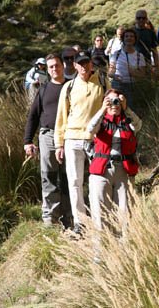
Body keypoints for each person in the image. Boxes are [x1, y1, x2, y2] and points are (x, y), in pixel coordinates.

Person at [54, 51, 109, 234]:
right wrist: (59, 144)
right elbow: (61, 117)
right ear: (75, 66)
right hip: (72, 139)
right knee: (75, 181)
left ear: (91, 64)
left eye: (87, 63)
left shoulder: (102, 82)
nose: (84, 66)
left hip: (95, 138)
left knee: (98, 179)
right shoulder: (68, 87)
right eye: (80, 63)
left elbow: (110, 108)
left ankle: (101, 216)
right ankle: (80, 222)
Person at [24, 53, 72, 228]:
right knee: (49, 177)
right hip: (48, 137)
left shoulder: (72, 86)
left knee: (69, 178)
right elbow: (33, 116)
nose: (54, 69)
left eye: (57, 65)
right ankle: (50, 220)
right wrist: (28, 141)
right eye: (51, 66)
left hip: (70, 137)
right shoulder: (43, 89)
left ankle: (69, 217)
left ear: (63, 66)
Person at [87, 88, 142, 233]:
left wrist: (126, 108)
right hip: (101, 171)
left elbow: (138, 125)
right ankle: (99, 253)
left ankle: (124, 252)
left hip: (123, 172)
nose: (114, 104)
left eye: (117, 101)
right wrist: (102, 109)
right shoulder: (101, 121)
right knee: (100, 216)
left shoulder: (128, 121)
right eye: (110, 101)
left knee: (125, 216)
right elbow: (90, 129)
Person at [108, 28, 148, 109]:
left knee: (130, 109)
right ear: (123, 39)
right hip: (117, 85)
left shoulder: (139, 56)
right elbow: (110, 72)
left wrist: (133, 73)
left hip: (132, 87)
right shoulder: (116, 54)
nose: (129, 38)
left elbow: (143, 74)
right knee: (115, 108)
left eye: (131, 36)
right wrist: (115, 76)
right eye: (126, 36)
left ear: (135, 39)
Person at [134, 9, 159, 78]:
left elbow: (154, 50)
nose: (141, 20)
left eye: (143, 18)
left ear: (146, 19)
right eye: (139, 18)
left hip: (147, 64)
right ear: (135, 19)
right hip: (133, 64)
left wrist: (156, 66)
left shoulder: (150, 33)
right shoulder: (130, 32)